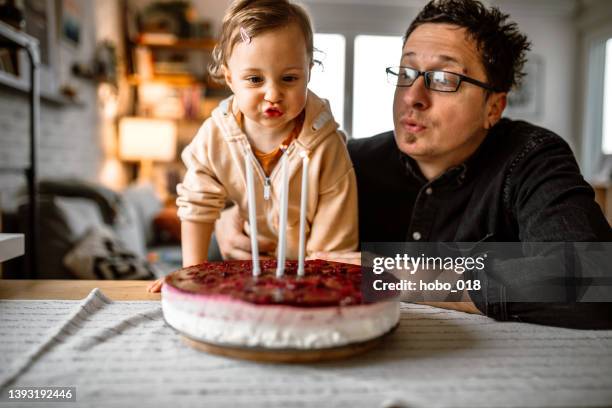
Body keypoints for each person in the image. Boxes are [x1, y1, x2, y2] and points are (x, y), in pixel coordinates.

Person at [215, 0, 612, 328]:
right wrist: (237, 218)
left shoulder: (532, 158)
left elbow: (596, 276)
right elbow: (276, 228)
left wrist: (407, 275)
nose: (413, 96)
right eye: (406, 73)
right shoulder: (350, 161)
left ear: (494, 106)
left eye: (444, 78)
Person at [148, 0, 358, 292]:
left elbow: (333, 246)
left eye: (289, 78)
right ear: (230, 77)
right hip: (244, 269)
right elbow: (197, 205)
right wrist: (191, 275)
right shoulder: (215, 136)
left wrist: (316, 287)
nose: (273, 93)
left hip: (305, 277)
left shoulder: (327, 146)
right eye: (255, 79)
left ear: (309, 71)